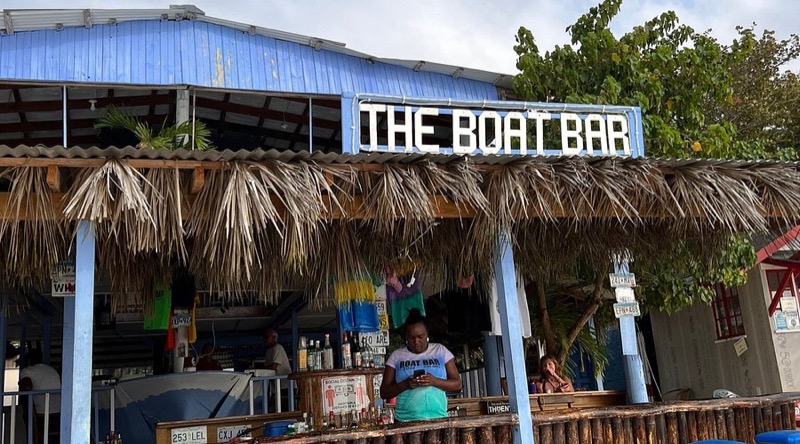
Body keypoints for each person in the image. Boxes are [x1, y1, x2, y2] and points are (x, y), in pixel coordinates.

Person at [380, 308, 461, 422]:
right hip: (405, 421)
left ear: (427, 334)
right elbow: (384, 392)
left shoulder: (440, 351)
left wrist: (434, 381)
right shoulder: (396, 356)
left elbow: (457, 384)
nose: (416, 341)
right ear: (406, 337)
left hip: (438, 418)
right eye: (412, 338)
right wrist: (406, 384)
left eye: (420, 336)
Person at [18, 348, 61, 444]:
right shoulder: (51, 369)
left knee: (26, 413)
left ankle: (33, 439)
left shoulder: (27, 371)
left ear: (29, 361)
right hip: (60, 412)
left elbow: (27, 386)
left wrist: (21, 384)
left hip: (43, 414)